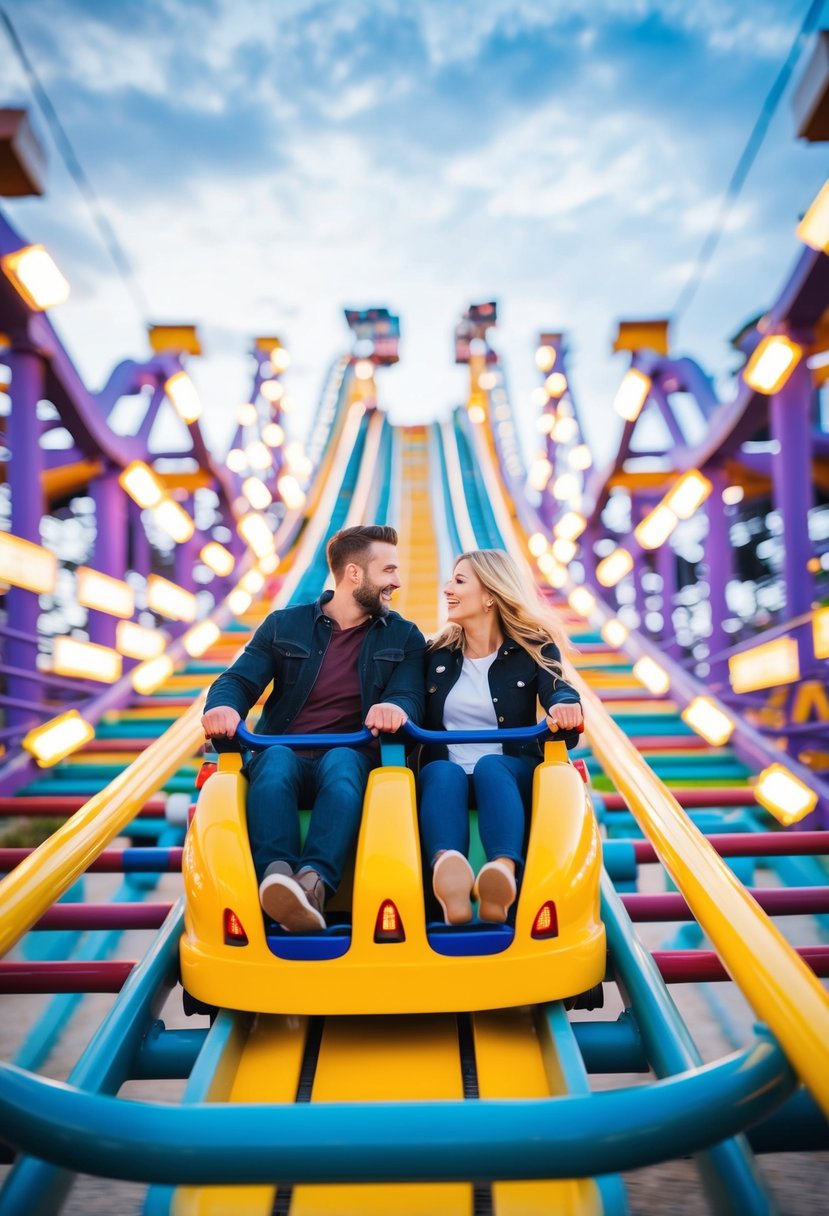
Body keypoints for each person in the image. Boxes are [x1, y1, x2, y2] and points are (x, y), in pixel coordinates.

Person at [201, 525, 425, 933]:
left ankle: (312, 884)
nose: (397, 581)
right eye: (388, 570)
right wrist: (223, 709)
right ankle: (278, 878)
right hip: (286, 754)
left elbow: (410, 693)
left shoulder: (404, 636)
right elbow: (237, 681)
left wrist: (395, 706)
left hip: (352, 756)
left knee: (342, 760)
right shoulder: (283, 626)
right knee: (275, 759)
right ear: (354, 574)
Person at [419, 549, 583, 926]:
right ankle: (449, 873)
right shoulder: (434, 654)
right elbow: (410, 702)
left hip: (508, 772)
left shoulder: (534, 648)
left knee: (493, 766)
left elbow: (557, 687)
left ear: (490, 594)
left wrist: (564, 706)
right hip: (448, 773)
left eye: (459, 581)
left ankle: (502, 873)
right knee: (442, 772)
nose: (447, 589)